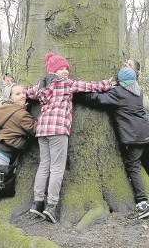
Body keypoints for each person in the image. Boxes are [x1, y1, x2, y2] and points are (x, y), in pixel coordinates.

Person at [26, 52, 116, 223]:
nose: (65, 71)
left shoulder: (41, 84)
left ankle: (37, 203)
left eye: (66, 68)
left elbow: (28, 92)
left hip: (43, 129)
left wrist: (13, 90)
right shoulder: (65, 84)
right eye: (61, 68)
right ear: (54, 70)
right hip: (58, 129)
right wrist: (106, 84)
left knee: (44, 165)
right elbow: (87, 86)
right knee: (57, 168)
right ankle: (51, 206)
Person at [83, 67, 149, 220]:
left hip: (133, 136)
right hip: (145, 132)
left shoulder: (119, 93)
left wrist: (81, 94)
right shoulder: (138, 90)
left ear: (119, 81)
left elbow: (97, 99)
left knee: (133, 166)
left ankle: (142, 203)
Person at [0, 83, 36, 166]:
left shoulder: (4, 109)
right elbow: (36, 130)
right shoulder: (20, 114)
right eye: (17, 94)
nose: (22, 96)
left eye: (24, 92)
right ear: (10, 97)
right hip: (0, 157)